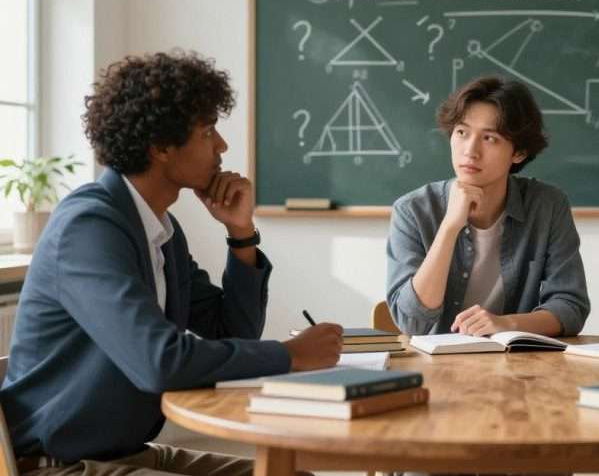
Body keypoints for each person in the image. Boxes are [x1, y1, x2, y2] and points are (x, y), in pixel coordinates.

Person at [0, 51, 342, 476]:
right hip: (60, 467)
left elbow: (233, 330)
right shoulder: (89, 227)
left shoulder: (160, 229)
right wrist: (290, 355)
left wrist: (241, 234)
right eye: (207, 132)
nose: (222, 146)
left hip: (126, 453)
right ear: (161, 146)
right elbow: (158, 363)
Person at [386, 75, 589, 337]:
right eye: (462, 132)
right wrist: (449, 227)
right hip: (436, 367)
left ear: (519, 153)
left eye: (489, 138)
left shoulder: (547, 206)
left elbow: (571, 308)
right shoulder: (412, 210)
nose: (470, 150)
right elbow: (410, 322)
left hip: (519, 368)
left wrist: (507, 324)